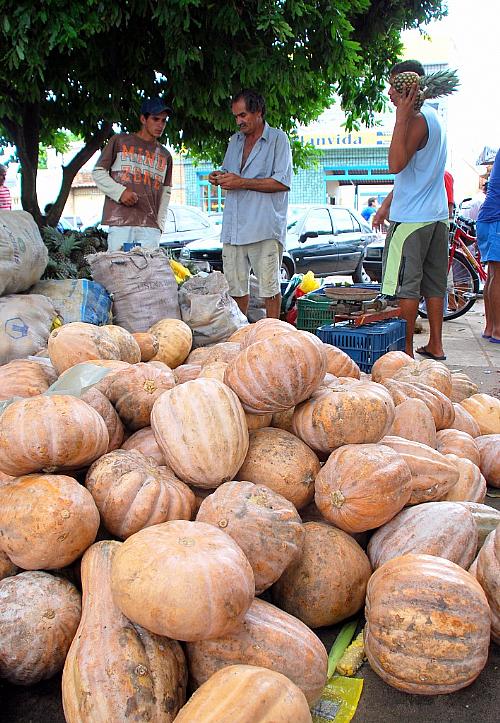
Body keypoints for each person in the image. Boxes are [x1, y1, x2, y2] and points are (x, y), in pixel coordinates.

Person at [373, 60, 449, 360]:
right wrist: (385, 206)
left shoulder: (416, 120)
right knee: (434, 284)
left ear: (409, 87)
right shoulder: (435, 118)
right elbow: (412, 176)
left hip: (411, 222)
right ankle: (436, 345)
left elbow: (395, 164)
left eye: (394, 85)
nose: (390, 92)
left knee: (405, 286)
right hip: (436, 217)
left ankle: (405, 352)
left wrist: (400, 118)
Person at [209, 89, 292, 319]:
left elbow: (281, 182)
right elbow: (229, 173)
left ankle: (273, 334)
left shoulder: (278, 139)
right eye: (236, 116)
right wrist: (218, 176)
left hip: (263, 227)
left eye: (243, 115)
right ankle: (239, 335)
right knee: (235, 289)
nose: (239, 121)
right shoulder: (235, 141)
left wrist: (241, 182)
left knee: (270, 289)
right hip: (234, 227)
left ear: (258, 112)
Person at [92, 98, 173, 252]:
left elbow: (166, 192)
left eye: (164, 121)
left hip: (150, 227)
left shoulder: (165, 155)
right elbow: (98, 172)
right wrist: (120, 192)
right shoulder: (119, 141)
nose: (160, 125)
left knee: (147, 273)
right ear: (143, 119)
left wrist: (159, 226)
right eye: (155, 119)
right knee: (118, 270)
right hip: (121, 221)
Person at [476, 150, 500, 343]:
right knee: (497, 276)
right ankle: (497, 330)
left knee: (493, 274)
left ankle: (491, 327)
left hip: (489, 218)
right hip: (495, 220)